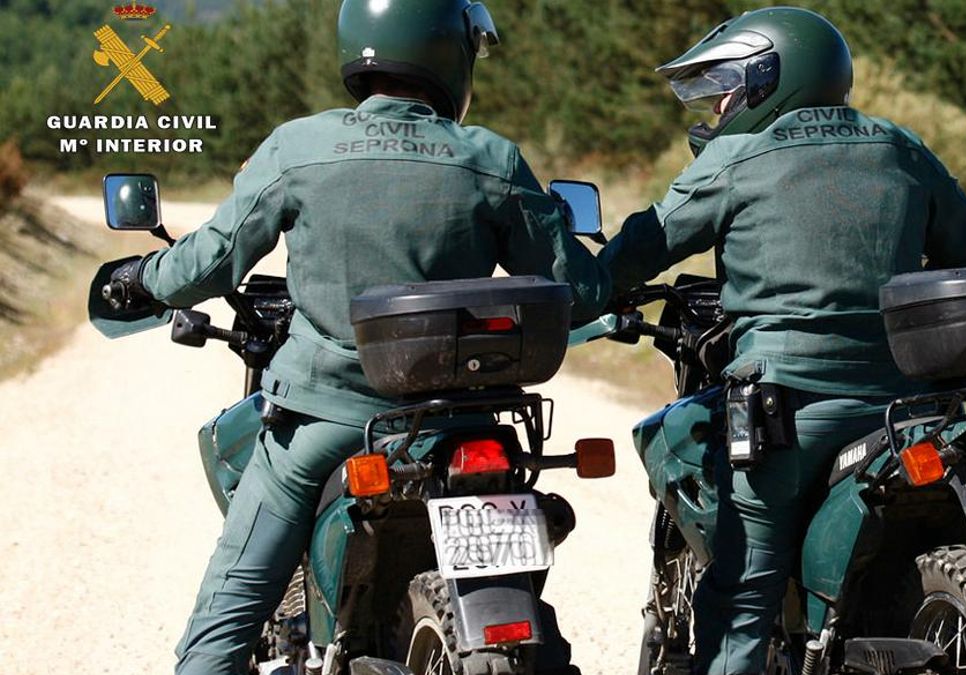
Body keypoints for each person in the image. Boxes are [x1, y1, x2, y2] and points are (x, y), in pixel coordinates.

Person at [102, 1, 608, 672]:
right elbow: (580, 290)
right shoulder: (492, 159)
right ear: (450, 53)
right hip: (460, 424)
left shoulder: (298, 147)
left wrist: (141, 277)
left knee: (229, 610)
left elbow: (207, 263)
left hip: (327, 420)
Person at [598, 7, 966, 674]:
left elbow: (644, 246)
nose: (719, 106)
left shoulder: (739, 158)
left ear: (769, 80)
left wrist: (588, 288)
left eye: (727, 88)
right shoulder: (900, 147)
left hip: (787, 407)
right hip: (906, 407)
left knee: (743, 592)